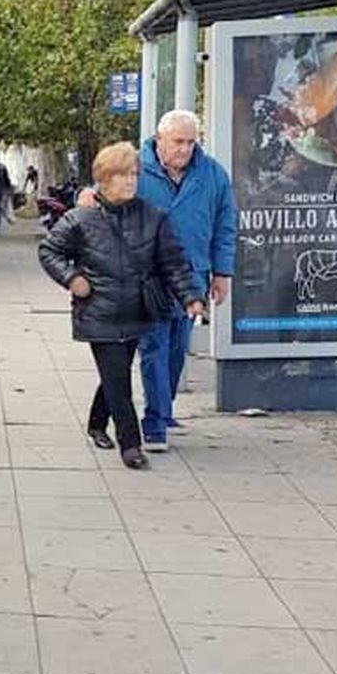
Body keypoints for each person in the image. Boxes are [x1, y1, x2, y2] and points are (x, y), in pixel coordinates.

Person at [38, 142, 206, 470]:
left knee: (114, 373)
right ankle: (131, 444)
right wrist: (72, 278)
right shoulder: (80, 219)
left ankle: (97, 422)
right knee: (119, 379)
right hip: (98, 311)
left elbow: (173, 263)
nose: (129, 181)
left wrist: (191, 297)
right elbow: (49, 251)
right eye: (121, 175)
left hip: (138, 309)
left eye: (133, 174)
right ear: (103, 178)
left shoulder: (152, 216)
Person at [78, 111, 237, 451]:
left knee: (177, 350)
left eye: (191, 142)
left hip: (188, 276)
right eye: (178, 141)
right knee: (153, 348)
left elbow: (225, 226)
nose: (185, 149)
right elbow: (104, 190)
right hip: (143, 278)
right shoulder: (136, 167)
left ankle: (156, 412)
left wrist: (222, 272)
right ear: (160, 139)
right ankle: (154, 424)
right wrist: (88, 196)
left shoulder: (212, 175)